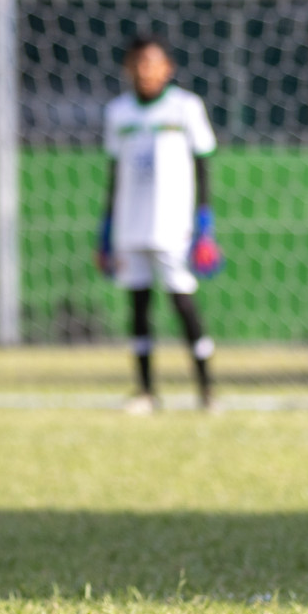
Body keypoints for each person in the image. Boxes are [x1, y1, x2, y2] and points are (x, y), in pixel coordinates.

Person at [97, 35, 220, 414]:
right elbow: (114, 174)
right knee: (138, 307)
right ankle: (147, 392)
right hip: (130, 228)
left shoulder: (186, 107)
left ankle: (206, 391)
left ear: (168, 68)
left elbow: (203, 167)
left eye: (152, 62)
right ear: (127, 69)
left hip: (174, 228)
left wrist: (205, 226)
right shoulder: (119, 112)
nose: (144, 70)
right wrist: (105, 234)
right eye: (137, 63)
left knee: (183, 304)